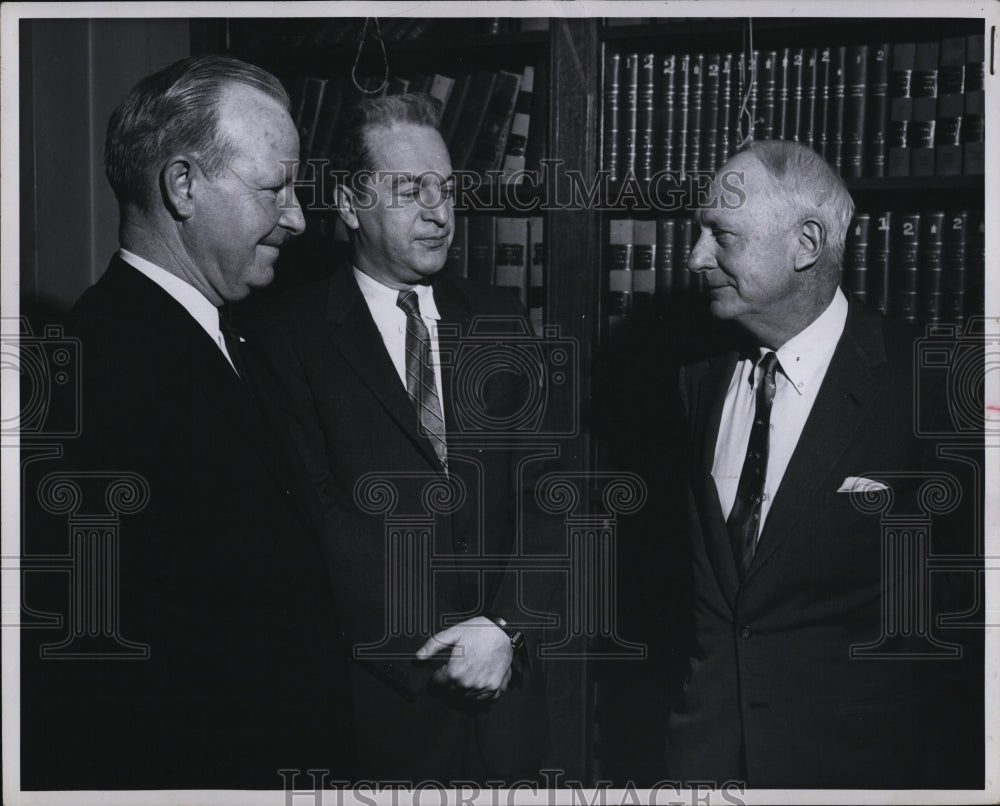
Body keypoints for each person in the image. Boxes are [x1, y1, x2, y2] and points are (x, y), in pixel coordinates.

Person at [20, 54, 351, 790]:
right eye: (275, 189)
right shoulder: (94, 370)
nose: (297, 217)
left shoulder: (236, 338)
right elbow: (82, 684)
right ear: (182, 186)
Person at [250, 92, 554, 784]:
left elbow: (550, 489)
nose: (437, 210)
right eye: (409, 189)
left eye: (445, 188)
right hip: (379, 710)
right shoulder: (285, 337)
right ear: (351, 206)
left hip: (509, 702)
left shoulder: (500, 318)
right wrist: (439, 654)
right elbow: (318, 519)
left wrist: (503, 629)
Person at [666, 140, 981, 788]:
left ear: (806, 242)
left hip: (859, 772)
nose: (694, 259)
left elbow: (968, 613)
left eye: (720, 235)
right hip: (705, 764)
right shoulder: (695, 376)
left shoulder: (929, 384)